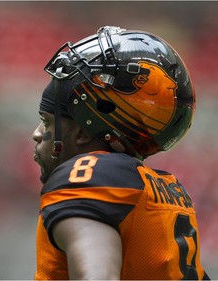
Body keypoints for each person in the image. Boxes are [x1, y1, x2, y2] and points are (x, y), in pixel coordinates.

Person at [32, 26, 210, 280]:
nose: (37, 133)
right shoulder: (168, 190)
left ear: (83, 133)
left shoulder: (86, 177)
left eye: (48, 122)